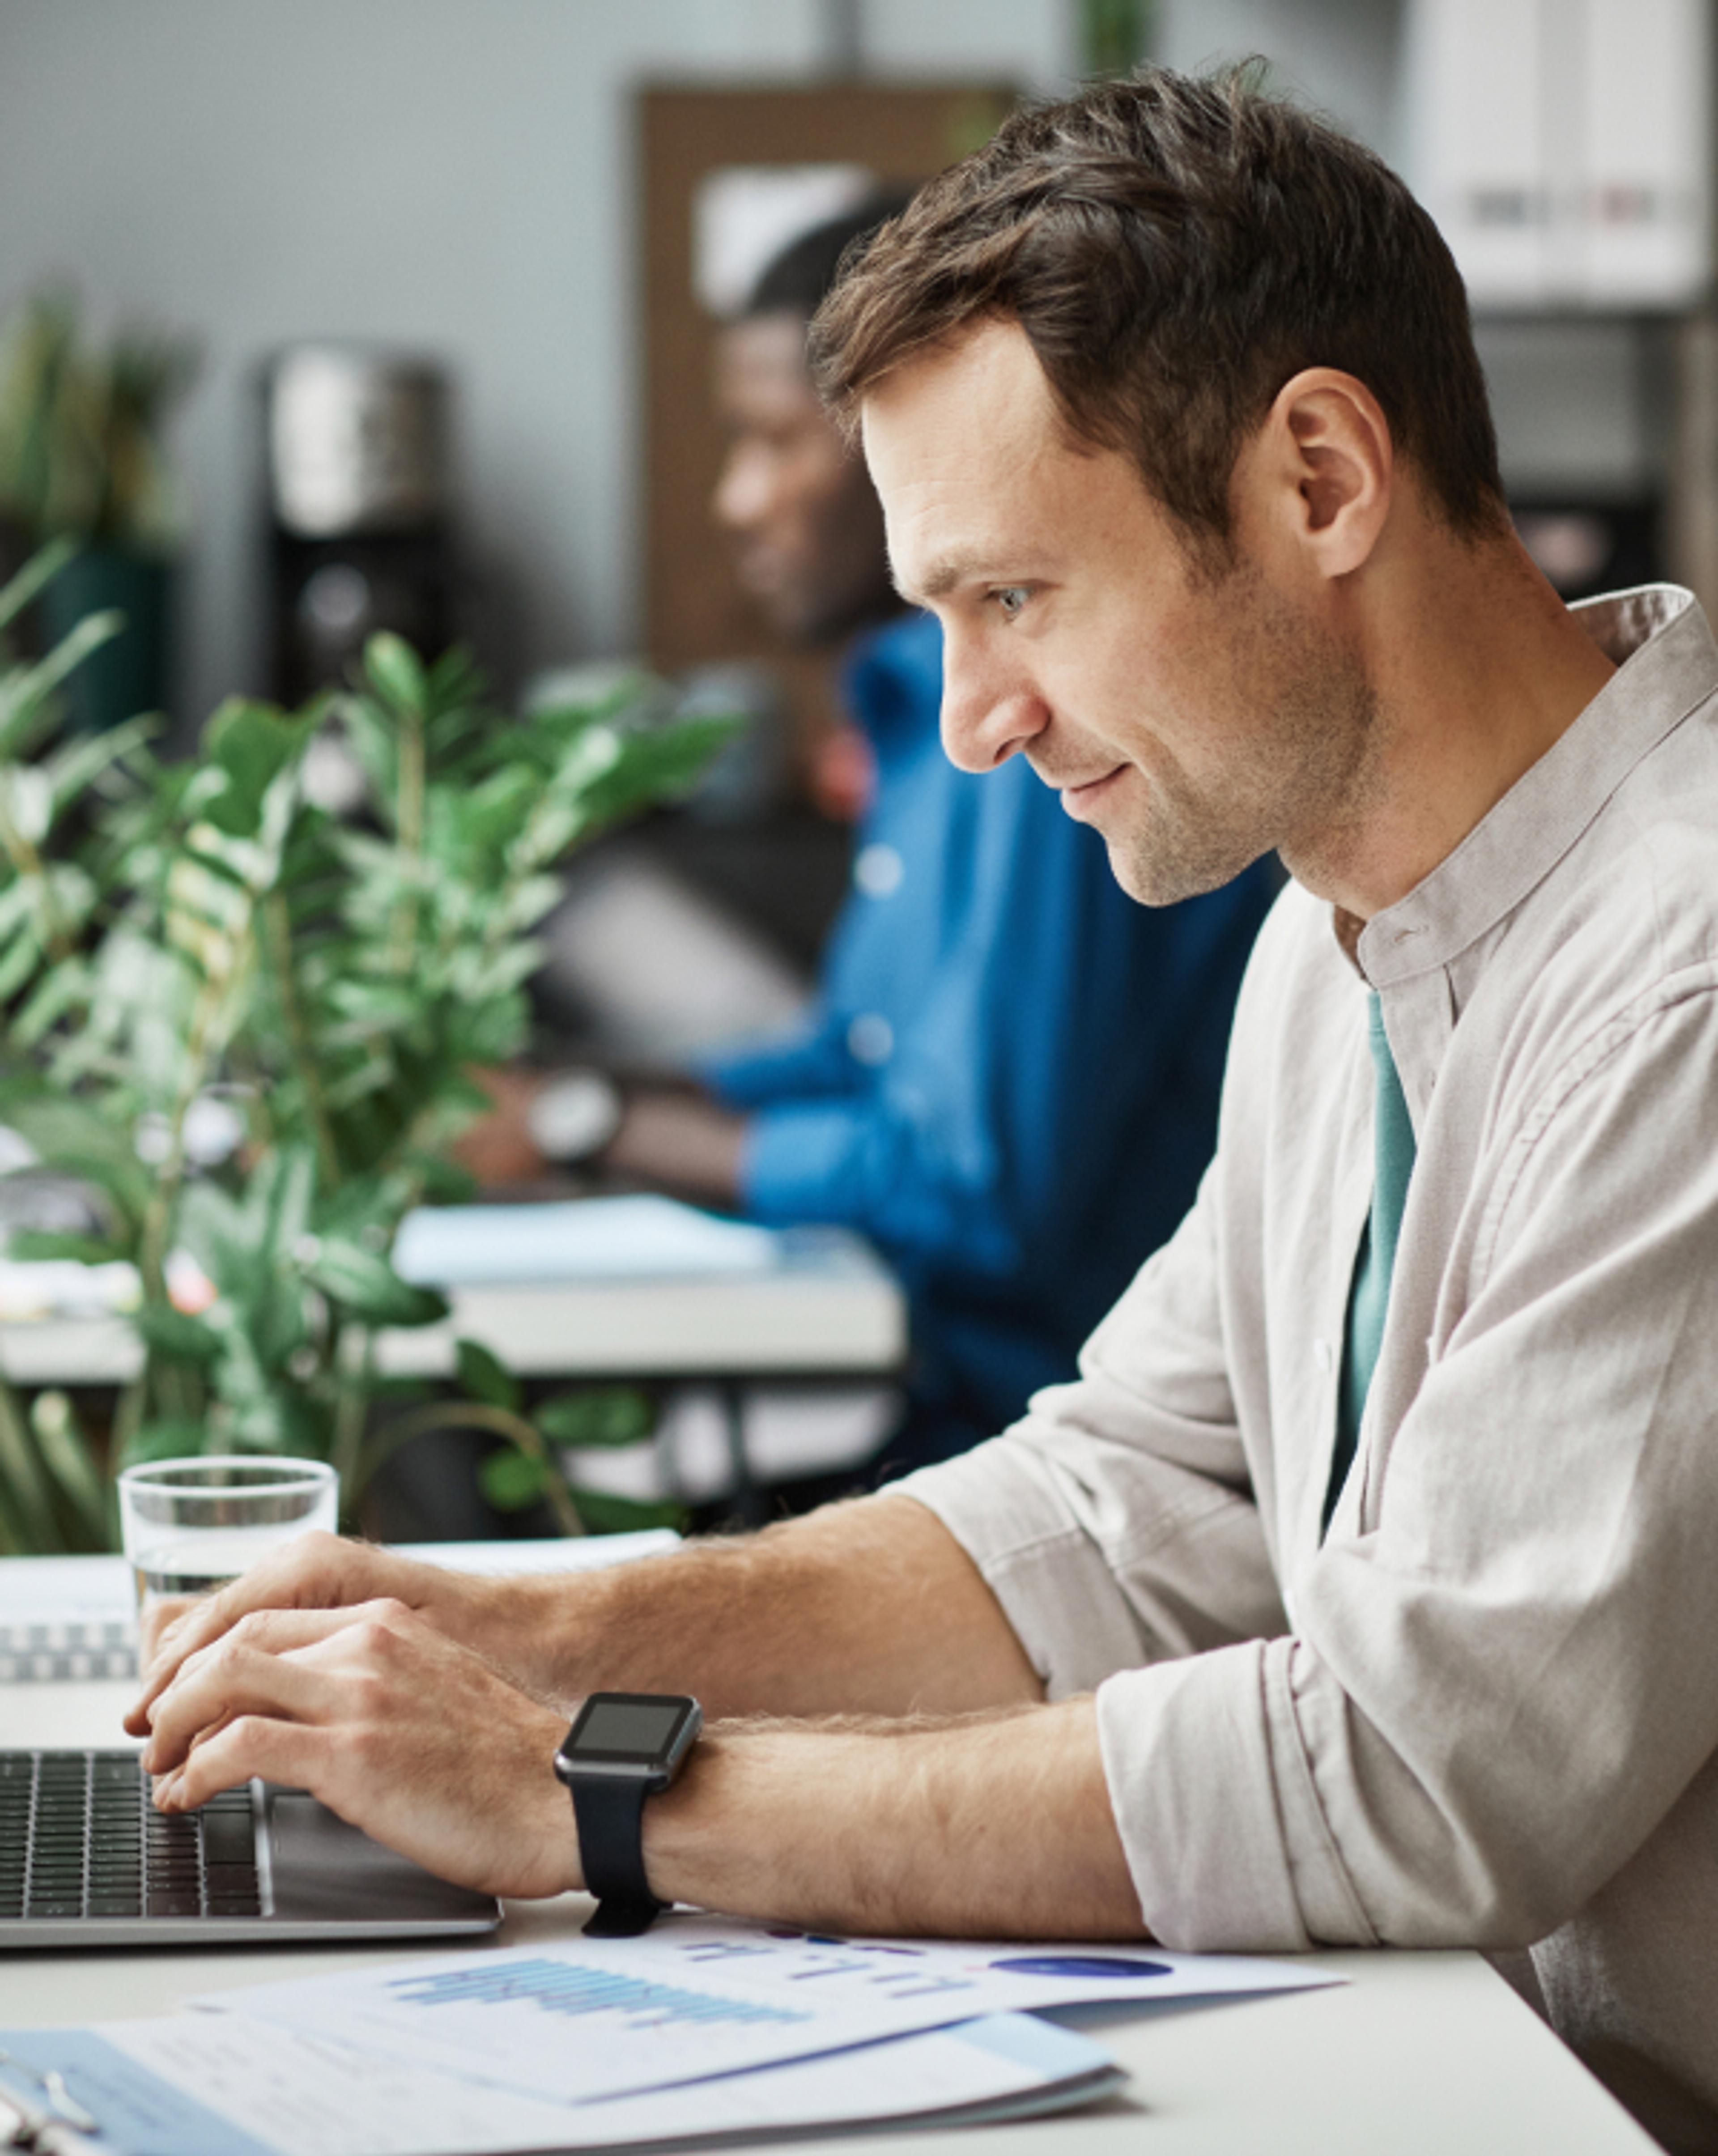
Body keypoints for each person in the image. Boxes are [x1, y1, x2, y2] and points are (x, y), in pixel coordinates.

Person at [130, 68, 1718, 2151]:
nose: (970, 724)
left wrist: (585, 1785)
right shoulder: (1336, 930)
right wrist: (505, 1623)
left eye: (1017, 597)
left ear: (1322, 477)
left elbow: (1417, 1772)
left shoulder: (1679, 973)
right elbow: (1125, 1505)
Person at [483, 200, 1276, 1469]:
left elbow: (973, 1189)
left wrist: (583, 1126)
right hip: (954, 1414)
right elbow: (865, 1055)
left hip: (1046, 1445)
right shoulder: (924, 723)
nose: (740, 501)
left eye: (773, 444)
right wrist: (595, 1097)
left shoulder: (1039, 744)